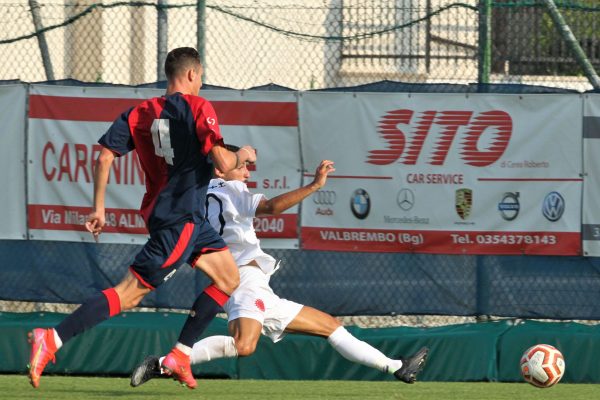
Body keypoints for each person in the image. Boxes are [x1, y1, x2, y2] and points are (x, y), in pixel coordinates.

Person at [27, 47, 257, 390]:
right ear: (193, 74)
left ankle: (180, 355)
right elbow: (223, 164)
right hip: (181, 220)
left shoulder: (140, 112)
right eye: (201, 76)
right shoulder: (198, 107)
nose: (201, 82)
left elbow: (105, 156)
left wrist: (98, 207)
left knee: (228, 278)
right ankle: (53, 337)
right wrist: (242, 154)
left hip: (183, 216)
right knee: (129, 294)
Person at [129, 146, 429, 387]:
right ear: (220, 168)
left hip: (244, 280)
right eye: (240, 165)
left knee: (330, 326)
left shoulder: (194, 197)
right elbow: (272, 207)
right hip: (243, 276)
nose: (246, 172)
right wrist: (314, 185)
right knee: (244, 345)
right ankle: (165, 363)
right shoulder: (230, 189)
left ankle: (397, 367)